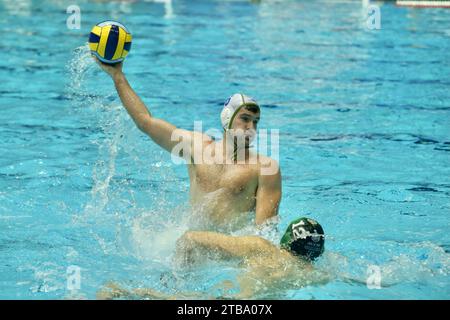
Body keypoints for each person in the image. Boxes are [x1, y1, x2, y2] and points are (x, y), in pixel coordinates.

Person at [93, 58, 281, 230]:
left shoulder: (264, 169)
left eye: (256, 121)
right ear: (227, 119)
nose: (251, 127)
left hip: (227, 250)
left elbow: (264, 232)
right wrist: (118, 76)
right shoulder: (197, 147)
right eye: (245, 119)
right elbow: (146, 122)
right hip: (192, 246)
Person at [97, 217, 330, 299]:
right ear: (318, 252)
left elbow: (190, 238)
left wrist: (177, 278)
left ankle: (121, 291)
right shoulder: (314, 274)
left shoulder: (261, 248)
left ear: (287, 239)